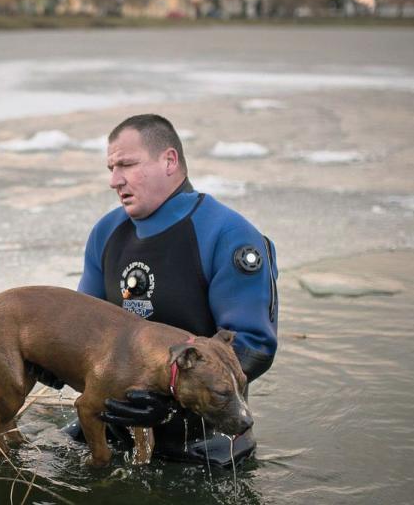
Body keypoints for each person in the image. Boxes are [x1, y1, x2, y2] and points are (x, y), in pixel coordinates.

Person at [43, 113, 278, 466]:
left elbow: (253, 345)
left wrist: (166, 402)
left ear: (169, 161)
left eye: (127, 164)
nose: (114, 180)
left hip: (203, 446)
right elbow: (84, 329)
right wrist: (51, 358)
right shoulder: (106, 233)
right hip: (113, 428)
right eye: (111, 168)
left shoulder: (226, 233)